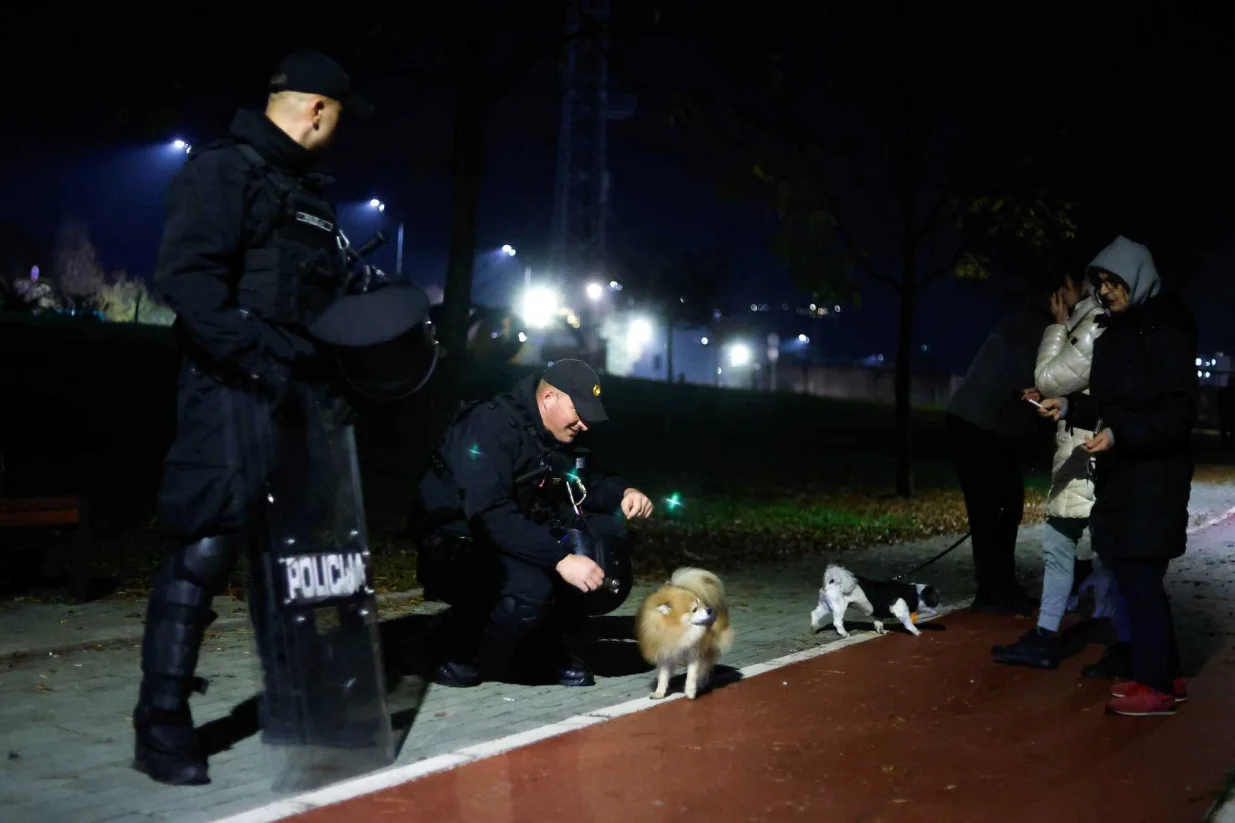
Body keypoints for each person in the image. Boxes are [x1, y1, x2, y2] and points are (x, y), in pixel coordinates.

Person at [132, 51, 424, 787]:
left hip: (302, 402)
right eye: (338, 118)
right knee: (205, 548)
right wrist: (260, 356)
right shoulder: (225, 170)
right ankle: (159, 720)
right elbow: (186, 282)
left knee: (298, 562)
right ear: (317, 109)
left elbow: (315, 302)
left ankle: (305, 700)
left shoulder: (309, 197)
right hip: (228, 391)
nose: (339, 131)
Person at [409, 360, 654, 688]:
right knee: (530, 588)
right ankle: (453, 641)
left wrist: (623, 493)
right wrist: (560, 559)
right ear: (549, 397)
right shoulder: (489, 425)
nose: (584, 424)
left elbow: (586, 480)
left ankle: (545, 640)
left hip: (511, 534)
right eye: (578, 411)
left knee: (607, 539)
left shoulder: (553, 435)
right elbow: (490, 516)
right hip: (456, 542)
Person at [1038, 236, 1198, 717]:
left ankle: (1158, 686)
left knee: (1141, 580)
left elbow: (1176, 413)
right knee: (1135, 579)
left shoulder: (1165, 333)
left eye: (1114, 282)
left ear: (1139, 278)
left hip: (1154, 479)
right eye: (1101, 282)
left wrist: (1120, 436)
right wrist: (1069, 405)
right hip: (1125, 477)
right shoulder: (1122, 332)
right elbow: (1114, 402)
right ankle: (1164, 675)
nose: (1105, 291)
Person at [992, 274, 1116, 668]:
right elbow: (1072, 385)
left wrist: (1057, 327)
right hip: (1085, 445)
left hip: (1086, 452)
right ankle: (1106, 624)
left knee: (1062, 543)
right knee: (1099, 547)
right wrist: (1060, 400)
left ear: (1071, 284)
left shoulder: (1091, 320)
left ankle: (1050, 636)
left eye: (1059, 286)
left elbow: (1051, 375)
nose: (1054, 297)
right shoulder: (1098, 318)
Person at [946, 290, 1055, 615]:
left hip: (982, 424)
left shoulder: (1026, 322)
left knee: (1006, 507)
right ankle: (993, 590)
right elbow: (1031, 386)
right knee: (992, 511)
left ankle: (999, 586)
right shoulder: (1036, 329)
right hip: (977, 425)